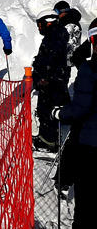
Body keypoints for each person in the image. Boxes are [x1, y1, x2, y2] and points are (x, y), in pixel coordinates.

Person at [51, 18, 97, 229]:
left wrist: (60, 114)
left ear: (92, 41)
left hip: (90, 147)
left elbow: (81, 108)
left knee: (86, 211)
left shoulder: (90, 69)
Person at [32, 9, 70, 152]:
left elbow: (50, 60)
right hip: (53, 79)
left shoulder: (53, 37)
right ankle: (46, 137)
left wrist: (43, 77)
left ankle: (48, 141)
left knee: (46, 110)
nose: (39, 28)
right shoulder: (54, 34)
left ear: (49, 22)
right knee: (47, 108)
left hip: (51, 81)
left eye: (41, 25)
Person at [54, 0, 82, 78]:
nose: (56, 14)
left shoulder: (69, 23)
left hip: (66, 58)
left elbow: (67, 43)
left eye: (56, 11)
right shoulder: (71, 20)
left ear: (63, 11)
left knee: (61, 81)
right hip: (70, 57)